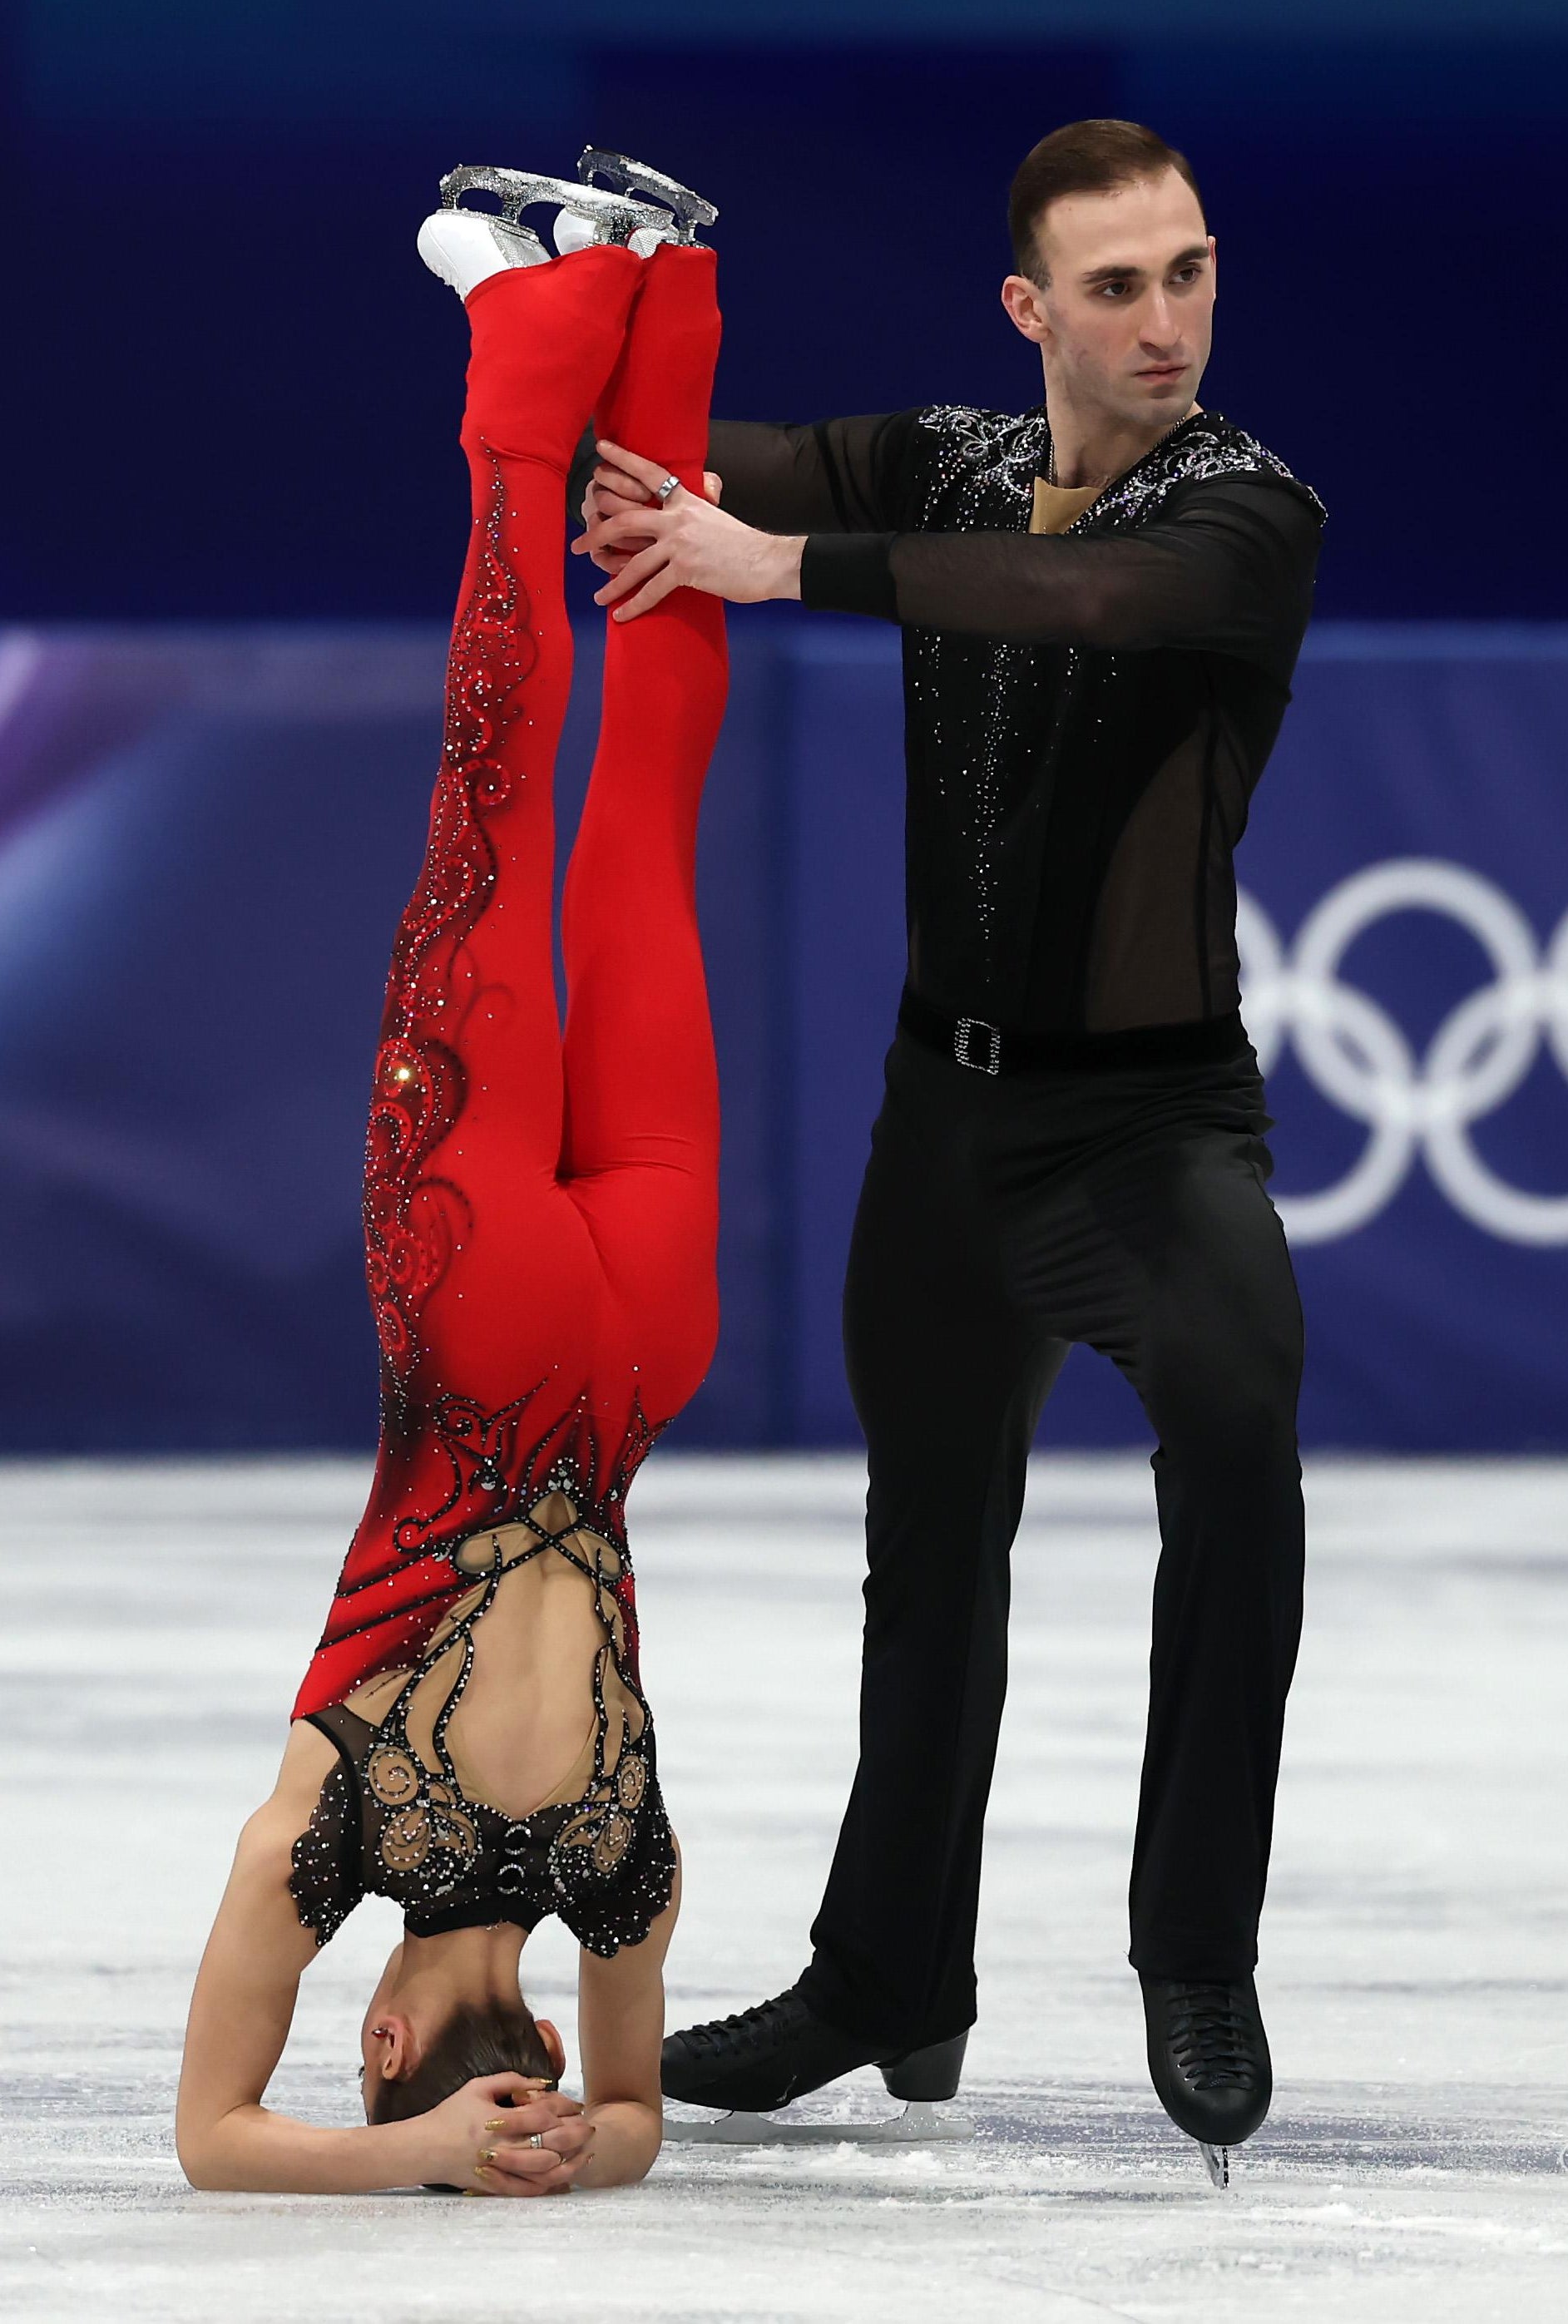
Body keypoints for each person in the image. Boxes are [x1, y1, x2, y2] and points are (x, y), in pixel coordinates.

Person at [577, 119, 1323, 2164]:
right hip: (944, 1122)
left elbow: (1083, 602)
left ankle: (1195, 1945)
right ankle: (894, 1971)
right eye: (1115, 285)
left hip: (1152, 1130)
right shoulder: (944, 455)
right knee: (923, 1565)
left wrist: (780, 564)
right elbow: (655, 457)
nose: (1163, 318)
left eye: (1186, 271)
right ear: (1031, 310)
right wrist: (553, 315)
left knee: (1240, 1460)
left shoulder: (1252, 513)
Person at [176, 166, 727, 2197]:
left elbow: (645, 2119)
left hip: (642, 1339)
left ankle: (665, 289)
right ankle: (527, 319)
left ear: (543, 2048)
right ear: (388, 2029)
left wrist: (583, 2141)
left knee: (647, 822)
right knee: (495, 774)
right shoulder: (322, 1834)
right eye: (371, 2049)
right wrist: (391, 2153)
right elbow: (213, 2144)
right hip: (481, 1305)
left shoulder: (626, 1857)